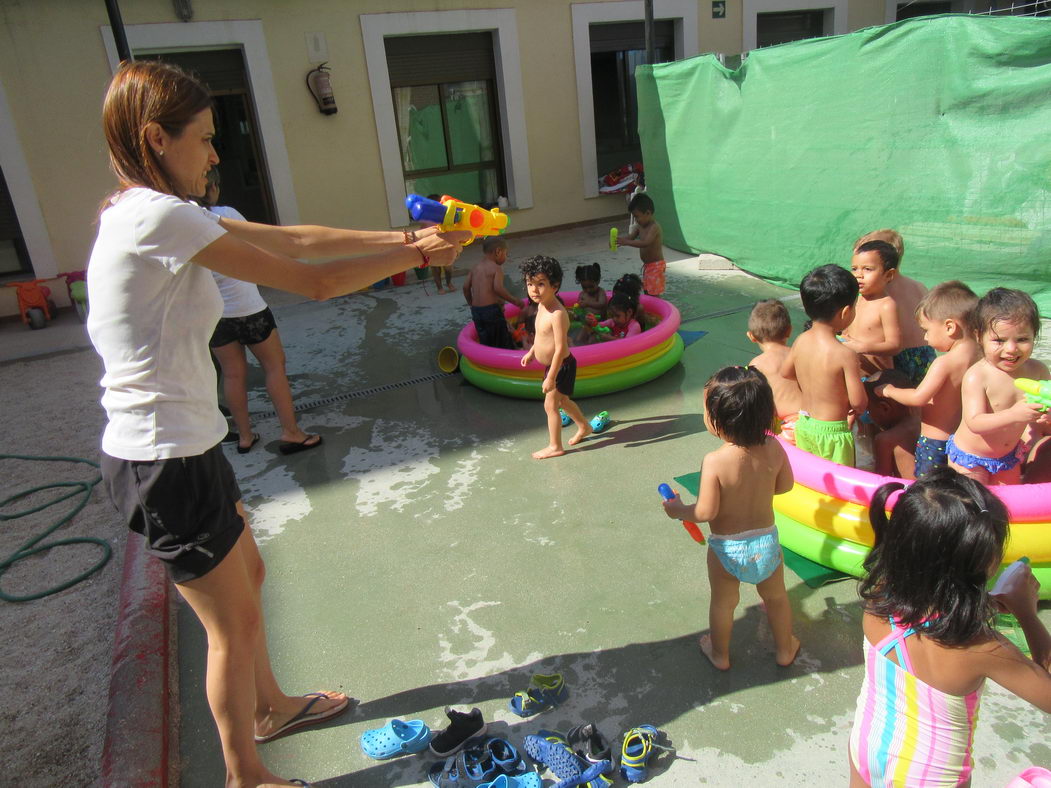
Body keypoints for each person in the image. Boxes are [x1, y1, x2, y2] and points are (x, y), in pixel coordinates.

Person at [87, 61, 465, 788]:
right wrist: (413, 257)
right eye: (201, 139)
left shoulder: (170, 211)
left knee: (251, 579)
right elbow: (315, 282)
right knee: (232, 629)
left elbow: (296, 241)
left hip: (189, 446)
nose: (214, 153)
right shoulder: (156, 216)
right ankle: (246, 776)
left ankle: (272, 708)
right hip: (161, 460)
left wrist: (402, 237)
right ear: (154, 139)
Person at [848, 467, 1051, 787]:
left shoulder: (878, 601)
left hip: (868, 750)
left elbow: (929, 613)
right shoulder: (982, 648)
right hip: (931, 777)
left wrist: (995, 602)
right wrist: (1026, 613)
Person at [661, 366, 799, 670]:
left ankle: (720, 654)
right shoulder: (775, 447)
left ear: (717, 420)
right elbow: (785, 486)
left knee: (724, 604)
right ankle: (785, 648)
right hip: (766, 544)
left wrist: (677, 510)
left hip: (727, 548)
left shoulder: (716, 461)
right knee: (776, 598)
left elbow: (705, 512)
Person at [200, 169, 322, 455]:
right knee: (274, 366)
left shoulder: (189, 221)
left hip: (219, 315)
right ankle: (291, 432)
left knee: (232, 374)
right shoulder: (226, 213)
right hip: (251, 308)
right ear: (214, 187)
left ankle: (244, 436)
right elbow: (256, 247)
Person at [875, 281, 981, 478]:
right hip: (964, 443)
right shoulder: (980, 357)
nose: (925, 338)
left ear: (950, 327)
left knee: (929, 493)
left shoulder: (944, 363)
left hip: (935, 443)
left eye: (926, 330)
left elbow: (918, 397)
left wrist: (888, 390)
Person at [947, 288, 1051, 485]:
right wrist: (1015, 414)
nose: (1011, 349)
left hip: (1007, 458)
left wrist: (1047, 416)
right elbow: (975, 422)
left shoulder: (1038, 371)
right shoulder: (978, 375)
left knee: (1008, 508)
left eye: (1022, 339)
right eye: (999, 340)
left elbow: (1043, 416)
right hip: (970, 459)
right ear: (979, 337)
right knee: (975, 507)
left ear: (1034, 336)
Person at [781, 265, 867, 466]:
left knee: (814, 476)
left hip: (804, 425)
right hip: (833, 432)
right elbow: (858, 403)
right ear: (846, 312)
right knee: (838, 484)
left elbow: (786, 372)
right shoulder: (845, 354)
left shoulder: (801, 340)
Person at [520, 255, 592, 458]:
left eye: (541, 284)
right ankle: (584, 426)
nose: (534, 290)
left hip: (561, 366)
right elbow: (541, 337)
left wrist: (551, 377)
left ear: (555, 285)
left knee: (550, 405)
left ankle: (555, 446)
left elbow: (560, 348)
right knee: (563, 402)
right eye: (530, 283)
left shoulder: (558, 314)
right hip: (555, 366)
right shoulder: (541, 306)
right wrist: (532, 351)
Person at [854, 229, 932, 386]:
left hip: (895, 358)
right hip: (924, 355)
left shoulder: (879, 293)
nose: (859, 273)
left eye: (867, 267)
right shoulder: (919, 286)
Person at [841, 240, 903, 377]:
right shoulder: (855, 298)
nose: (858, 274)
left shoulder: (886, 305)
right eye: (854, 268)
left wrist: (863, 347)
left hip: (876, 376)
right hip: (853, 372)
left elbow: (895, 345)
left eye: (867, 269)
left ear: (888, 275)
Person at [745, 299, 802, 442]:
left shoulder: (757, 364)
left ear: (751, 336)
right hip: (810, 420)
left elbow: (755, 403)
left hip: (787, 427)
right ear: (789, 330)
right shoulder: (799, 355)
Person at [860, 370, 920, 477]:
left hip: (908, 492)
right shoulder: (924, 421)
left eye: (869, 410)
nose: (869, 415)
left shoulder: (885, 440)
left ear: (885, 408)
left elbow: (882, 480)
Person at [462, 236, 517, 349]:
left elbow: (465, 288)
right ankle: (507, 362)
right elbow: (498, 289)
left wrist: (472, 304)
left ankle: (486, 362)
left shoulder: (475, 268)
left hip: (477, 312)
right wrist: (516, 301)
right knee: (502, 340)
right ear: (498, 251)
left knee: (485, 340)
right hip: (491, 311)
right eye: (506, 254)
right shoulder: (496, 268)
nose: (506, 257)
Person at [616, 192, 665, 297]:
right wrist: (619, 240)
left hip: (656, 266)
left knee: (654, 293)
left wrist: (626, 242)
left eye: (637, 216)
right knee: (647, 290)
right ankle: (652, 308)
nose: (635, 220)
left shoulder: (654, 227)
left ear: (648, 213)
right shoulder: (639, 225)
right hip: (648, 266)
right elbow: (631, 237)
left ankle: (659, 310)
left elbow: (645, 243)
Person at [426, 193, 456, 294]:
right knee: (435, 268)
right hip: (431, 245)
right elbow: (423, 231)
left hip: (445, 243)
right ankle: (439, 287)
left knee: (448, 266)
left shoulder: (444, 214)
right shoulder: (426, 217)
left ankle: (449, 283)